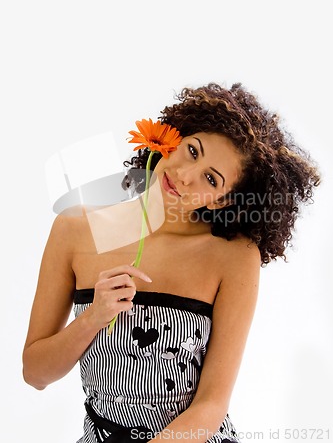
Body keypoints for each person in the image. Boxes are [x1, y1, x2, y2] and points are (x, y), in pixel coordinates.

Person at [22, 82, 321, 443]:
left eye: (211, 179)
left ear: (223, 202)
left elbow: (211, 405)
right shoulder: (74, 230)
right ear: (174, 137)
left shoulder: (234, 258)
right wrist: (93, 317)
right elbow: (35, 374)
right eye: (193, 151)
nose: (184, 175)